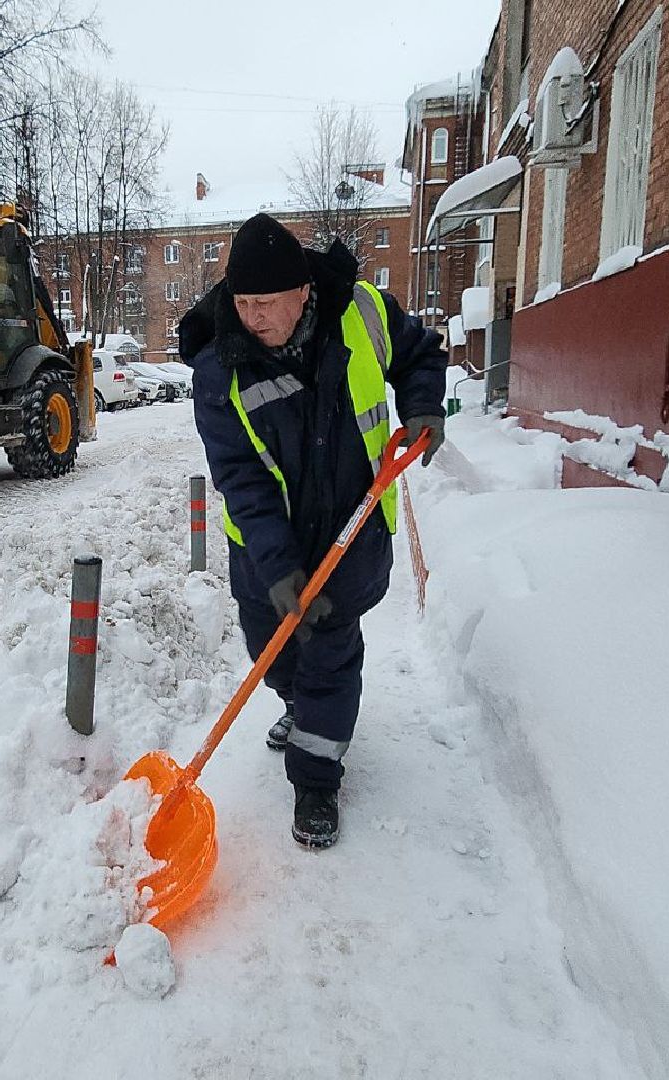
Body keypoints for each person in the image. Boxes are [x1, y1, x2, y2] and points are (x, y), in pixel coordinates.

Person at [179, 213, 448, 849]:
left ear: (303, 292)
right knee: (270, 650)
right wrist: (278, 570)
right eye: (241, 303)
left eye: (266, 304)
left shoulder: (361, 311)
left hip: (350, 531)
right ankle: (297, 706)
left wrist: (423, 408)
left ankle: (317, 779)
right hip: (264, 549)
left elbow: (418, 354)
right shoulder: (220, 367)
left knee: (330, 651)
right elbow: (240, 478)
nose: (253, 318)